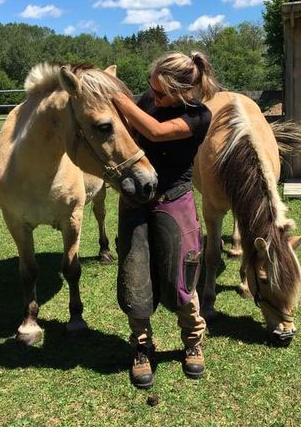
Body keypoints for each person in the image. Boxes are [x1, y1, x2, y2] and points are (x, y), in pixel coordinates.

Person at [112, 51, 221, 389]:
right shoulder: (150, 97)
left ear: (182, 92)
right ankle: (141, 346)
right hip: (135, 198)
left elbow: (156, 132)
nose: (152, 97)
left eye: (160, 93)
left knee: (182, 276)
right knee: (134, 273)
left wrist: (114, 93)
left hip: (174, 199)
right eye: (150, 89)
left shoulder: (199, 116)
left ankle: (192, 340)